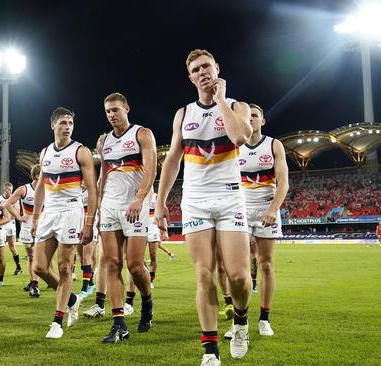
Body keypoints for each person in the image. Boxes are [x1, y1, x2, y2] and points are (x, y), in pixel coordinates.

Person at [155, 49, 253, 364]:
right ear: (190, 77)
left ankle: (240, 320)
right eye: (196, 70)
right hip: (195, 201)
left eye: (206, 67)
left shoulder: (238, 106)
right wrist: (160, 202)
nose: (202, 73)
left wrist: (221, 98)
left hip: (229, 198)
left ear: (217, 68)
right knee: (203, 274)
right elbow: (172, 160)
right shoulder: (183, 114)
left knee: (238, 276)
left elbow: (240, 137)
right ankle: (210, 351)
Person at [31, 107, 97, 339]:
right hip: (49, 212)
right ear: (53, 125)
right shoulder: (45, 152)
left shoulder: (81, 152)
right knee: (39, 268)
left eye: (70, 122)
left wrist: (89, 222)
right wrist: (36, 217)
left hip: (71, 211)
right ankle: (71, 299)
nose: (67, 126)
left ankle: (57, 322)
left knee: (64, 267)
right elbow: (40, 186)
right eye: (62, 123)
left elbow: (92, 189)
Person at [97, 92, 158, 343]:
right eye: (108, 111)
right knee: (112, 263)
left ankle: (147, 302)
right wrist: (98, 206)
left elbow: (152, 168)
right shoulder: (104, 141)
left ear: (127, 109)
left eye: (116, 110)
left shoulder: (142, 134)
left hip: (135, 206)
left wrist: (140, 198)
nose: (112, 115)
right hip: (110, 206)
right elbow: (103, 174)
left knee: (134, 265)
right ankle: (118, 323)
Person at [237, 103, 289, 337]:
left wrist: (272, 209)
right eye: (247, 117)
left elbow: (283, 182)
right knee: (242, 266)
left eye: (255, 116)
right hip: (240, 210)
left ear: (262, 121)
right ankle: (240, 320)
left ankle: (264, 318)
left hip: (267, 208)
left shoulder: (273, 145)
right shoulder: (235, 147)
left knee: (266, 264)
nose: (251, 120)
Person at [2, 164, 42, 297]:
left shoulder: (48, 189)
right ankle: (34, 283)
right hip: (27, 228)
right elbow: (7, 203)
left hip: (43, 227)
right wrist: (18, 217)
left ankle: (35, 283)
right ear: (37, 175)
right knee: (32, 257)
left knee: (39, 257)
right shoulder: (24, 189)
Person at [2, 182, 23, 275]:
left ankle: (18, 267)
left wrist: (6, 219)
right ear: (4, 189)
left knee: (12, 247)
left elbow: (16, 213)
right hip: (1, 225)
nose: (10, 192)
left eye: (11, 190)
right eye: (9, 190)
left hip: (10, 224)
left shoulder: (15, 199)